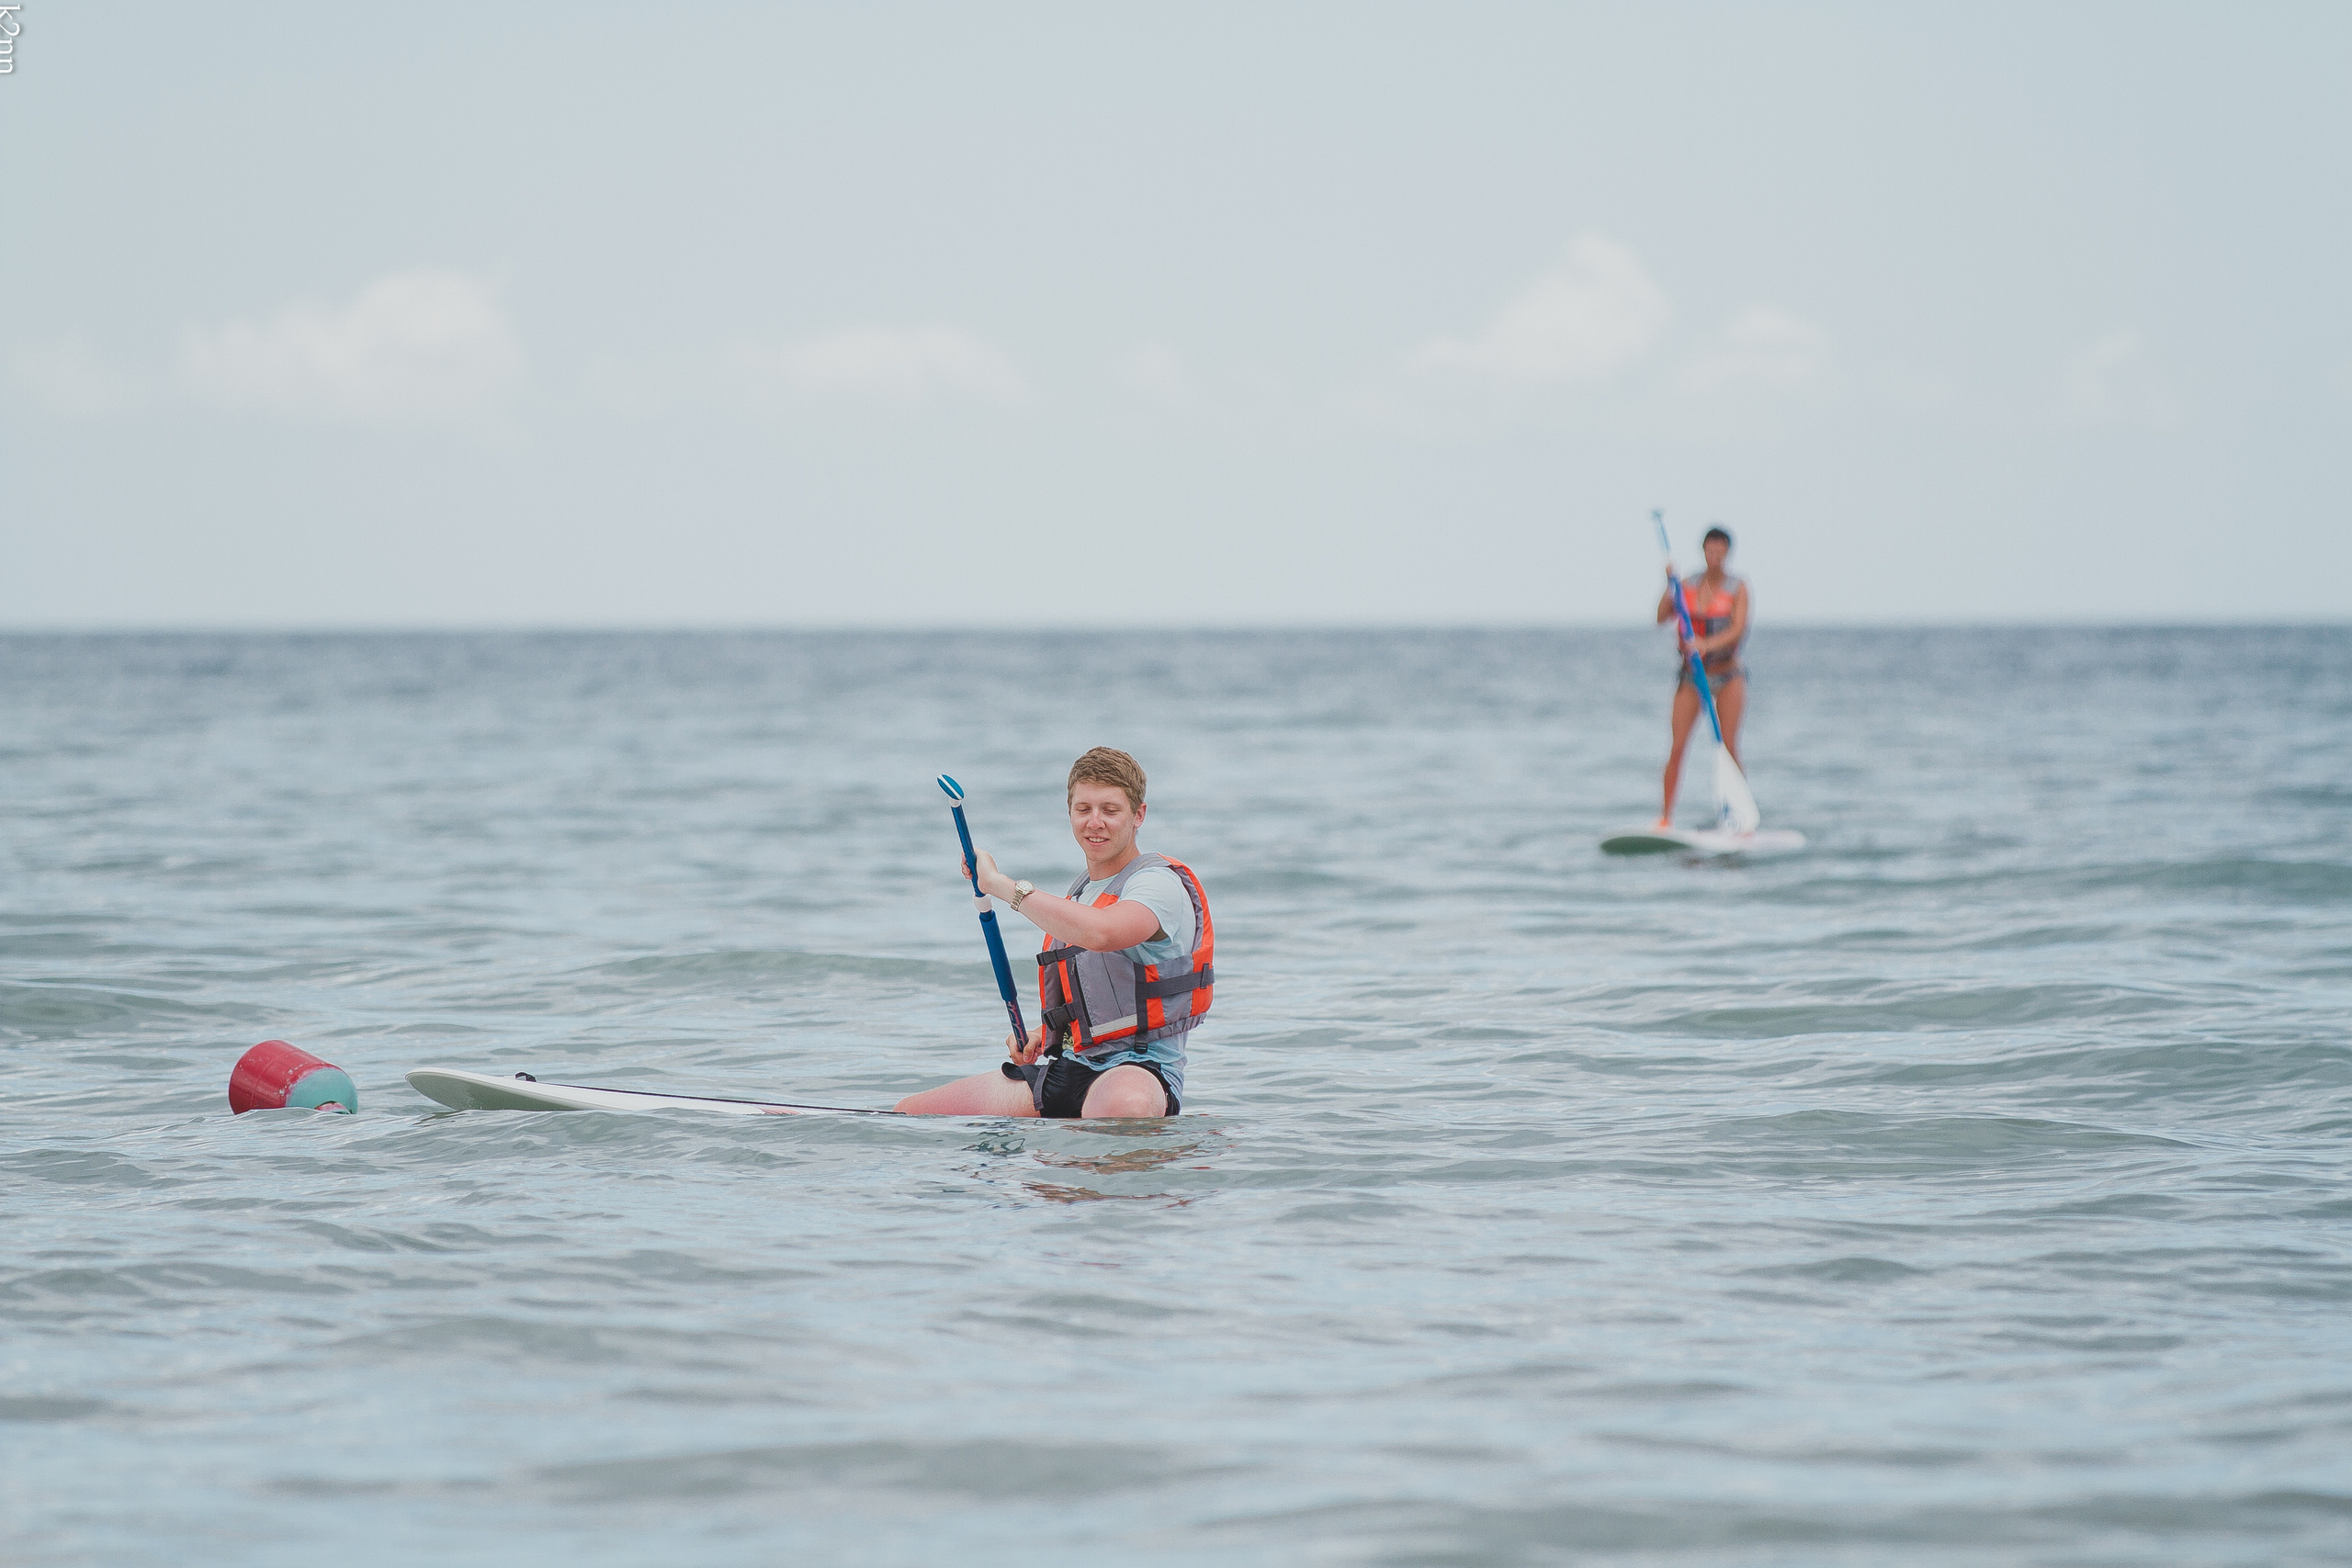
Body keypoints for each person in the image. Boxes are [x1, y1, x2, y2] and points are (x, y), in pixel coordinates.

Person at [894, 747, 1213, 1119]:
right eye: (1084, 809)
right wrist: (1045, 1036)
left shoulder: (1159, 884)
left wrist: (1000, 885)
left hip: (1138, 1072)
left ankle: (1084, 1158)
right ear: (1070, 813)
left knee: (1124, 1105)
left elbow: (1103, 933)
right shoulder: (1080, 894)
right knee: (912, 1113)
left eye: (1110, 810)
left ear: (1138, 814)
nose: (1095, 822)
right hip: (1072, 1070)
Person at [1655, 525, 1750, 829]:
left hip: (1727, 675)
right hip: (1692, 677)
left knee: (1729, 746)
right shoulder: (1688, 585)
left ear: (1727, 553)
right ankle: (1666, 818)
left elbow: (1738, 629)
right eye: (1711, 550)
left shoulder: (1738, 588)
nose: (1715, 556)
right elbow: (1660, 617)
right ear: (1704, 551)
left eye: (1721, 551)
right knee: (1677, 746)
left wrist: (1706, 644)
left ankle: (1737, 816)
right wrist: (1670, 586)